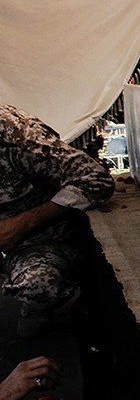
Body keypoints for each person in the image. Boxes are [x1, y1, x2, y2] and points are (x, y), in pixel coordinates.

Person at [0, 105, 115, 338]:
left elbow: (96, 180)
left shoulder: (14, 133)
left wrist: (22, 225)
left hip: (34, 243)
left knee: (39, 284)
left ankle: (37, 309)